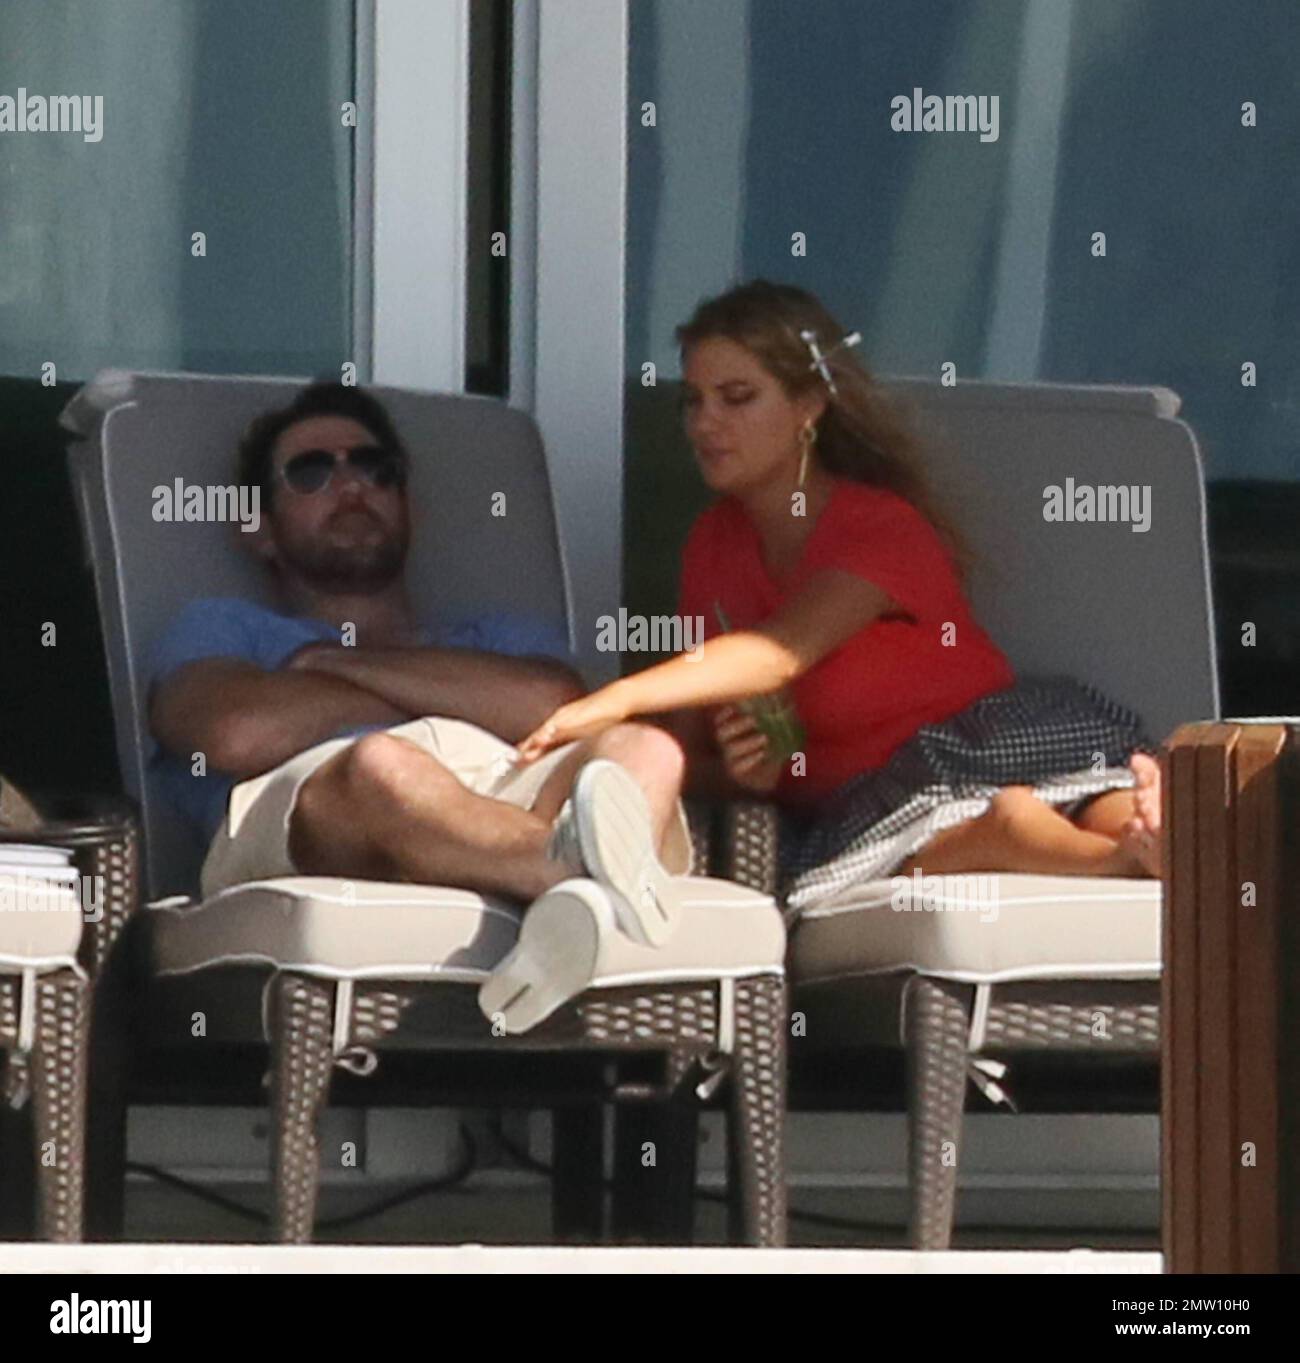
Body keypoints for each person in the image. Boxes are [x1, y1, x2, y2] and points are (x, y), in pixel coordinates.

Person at [517, 280, 1163, 913]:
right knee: (983, 832)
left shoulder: (880, 526)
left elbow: (779, 652)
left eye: (736, 397)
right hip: (872, 803)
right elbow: (694, 750)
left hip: (985, 741)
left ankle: (1144, 846)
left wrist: (613, 699)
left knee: (1102, 807)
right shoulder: (712, 546)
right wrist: (751, 776)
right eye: (693, 400)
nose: (704, 422)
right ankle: (1116, 857)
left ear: (808, 407)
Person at [147, 382, 693, 1007]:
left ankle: (569, 914)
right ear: (260, 531)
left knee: (647, 747)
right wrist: (458, 695)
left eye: (376, 469)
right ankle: (577, 883)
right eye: (311, 471)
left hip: (498, 787)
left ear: (411, 508)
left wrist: (330, 665)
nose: (351, 486)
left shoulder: (494, 631)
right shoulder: (225, 627)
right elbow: (239, 731)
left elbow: (558, 706)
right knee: (383, 764)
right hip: (325, 812)